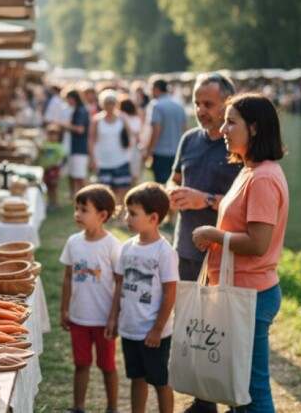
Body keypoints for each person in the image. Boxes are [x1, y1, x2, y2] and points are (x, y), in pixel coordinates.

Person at [192, 93, 288, 413]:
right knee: (237, 386)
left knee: (253, 390)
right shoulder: (250, 170)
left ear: (255, 128)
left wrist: (213, 235)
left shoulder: (263, 177)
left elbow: (258, 244)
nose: (223, 129)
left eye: (231, 122)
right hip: (239, 291)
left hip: (250, 295)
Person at [167, 73, 242, 413]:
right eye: (197, 103)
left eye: (208, 104)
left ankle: (236, 401)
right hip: (185, 247)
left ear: (228, 103)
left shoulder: (237, 144)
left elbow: (245, 204)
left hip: (223, 253)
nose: (201, 110)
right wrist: (171, 191)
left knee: (224, 329)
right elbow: (173, 178)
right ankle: (203, 401)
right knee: (193, 329)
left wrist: (206, 200)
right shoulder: (189, 139)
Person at [106, 182, 179, 413]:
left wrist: (157, 329)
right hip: (130, 329)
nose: (127, 218)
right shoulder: (127, 248)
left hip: (153, 333)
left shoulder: (165, 252)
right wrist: (113, 318)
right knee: (136, 378)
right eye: (127, 212)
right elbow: (119, 285)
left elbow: (170, 292)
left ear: (153, 218)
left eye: (133, 213)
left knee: (160, 381)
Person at [60, 184, 122, 413]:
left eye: (84, 210)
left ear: (102, 215)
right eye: (76, 208)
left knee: (107, 366)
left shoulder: (112, 246)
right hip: (79, 318)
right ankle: (78, 407)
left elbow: (120, 283)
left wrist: (114, 316)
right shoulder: (73, 242)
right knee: (81, 364)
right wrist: (64, 310)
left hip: (103, 320)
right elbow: (68, 278)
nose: (77, 214)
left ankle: (112, 408)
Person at [89, 90, 132, 208]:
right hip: (103, 159)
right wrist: (92, 157)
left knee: (121, 189)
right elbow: (92, 139)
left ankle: (120, 212)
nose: (109, 106)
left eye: (112, 103)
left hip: (121, 157)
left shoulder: (122, 118)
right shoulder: (97, 120)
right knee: (106, 190)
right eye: (107, 103)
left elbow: (131, 134)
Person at [144, 79, 186, 185]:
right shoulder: (178, 104)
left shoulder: (156, 105)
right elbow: (185, 128)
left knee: (162, 186)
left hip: (161, 154)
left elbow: (156, 131)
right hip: (177, 152)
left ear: (156, 89)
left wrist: (149, 151)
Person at [62, 88, 90, 198]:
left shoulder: (81, 111)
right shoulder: (77, 110)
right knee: (74, 174)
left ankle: (85, 196)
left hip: (79, 148)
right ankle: (75, 195)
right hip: (75, 147)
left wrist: (66, 126)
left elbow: (80, 129)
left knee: (80, 175)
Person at [39, 124, 65, 210]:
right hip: (46, 168)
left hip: (54, 169)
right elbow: (41, 151)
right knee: (47, 185)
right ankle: (49, 201)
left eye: (54, 135)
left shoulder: (58, 146)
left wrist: (56, 165)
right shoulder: (46, 144)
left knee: (53, 187)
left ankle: (54, 202)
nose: (52, 137)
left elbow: (61, 158)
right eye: (50, 135)